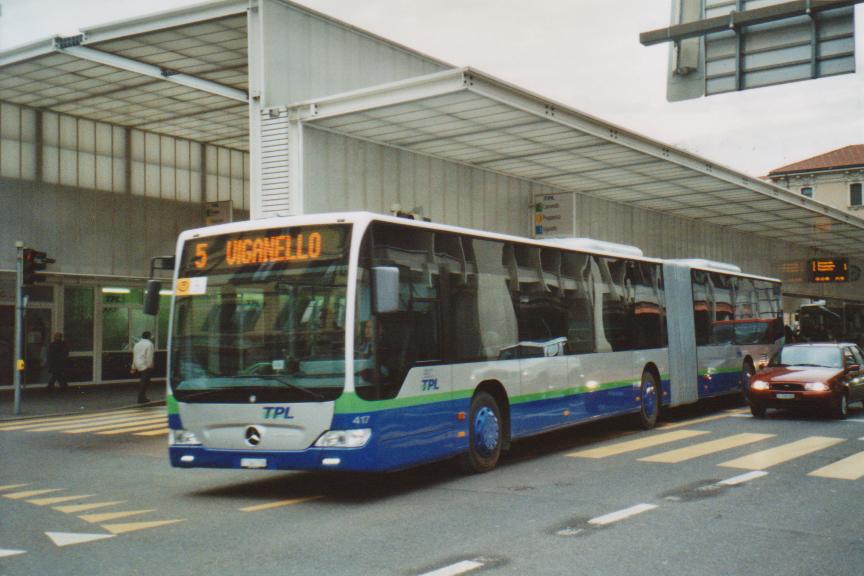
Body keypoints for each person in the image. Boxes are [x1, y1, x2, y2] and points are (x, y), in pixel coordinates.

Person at [131, 331, 155, 404]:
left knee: (143, 381)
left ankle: (142, 397)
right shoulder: (149, 344)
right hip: (145, 365)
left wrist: (133, 367)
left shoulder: (137, 344)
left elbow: (135, 355)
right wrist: (150, 366)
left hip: (137, 364)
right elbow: (149, 356)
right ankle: (141, 398)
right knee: (145, 382)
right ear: (149, 336)